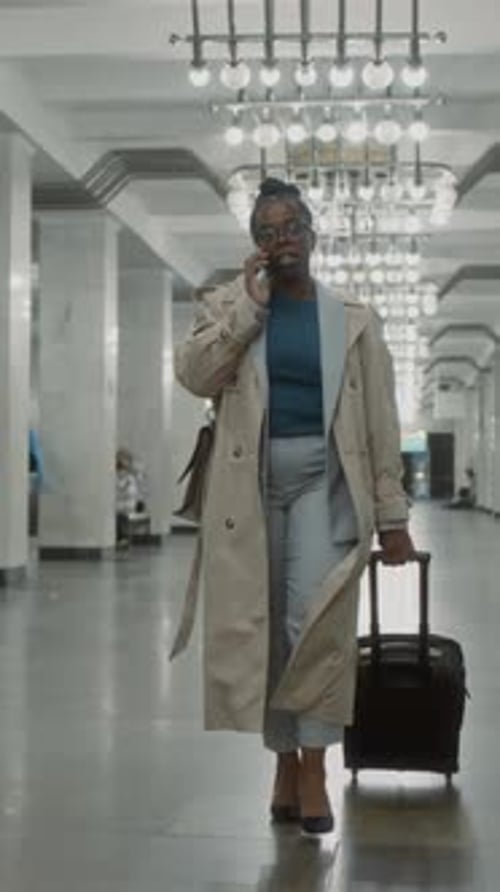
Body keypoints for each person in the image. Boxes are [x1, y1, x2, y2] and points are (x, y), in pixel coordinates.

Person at [172, 178, 414, 836]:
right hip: (247, 491)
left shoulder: (352, 318)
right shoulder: (229, 304)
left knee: (314, 625)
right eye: (267, 232)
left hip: (324, 484)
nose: (282, 240)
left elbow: (381, 420)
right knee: (268, 628)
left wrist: (392, 517)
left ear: (313, 234)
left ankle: (314, 768)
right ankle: (282, 762)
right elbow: (194, 375)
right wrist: (249, 309)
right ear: (255, 245)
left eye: (292, 228)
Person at [115, 448, 139, 547]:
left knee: (121, 517)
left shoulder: (130, 478)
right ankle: (122, 538)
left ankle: (123, 538)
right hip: (119, 504)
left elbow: (131, 492)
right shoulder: (116, 476)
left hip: (124, 504)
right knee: (120, 517)